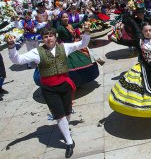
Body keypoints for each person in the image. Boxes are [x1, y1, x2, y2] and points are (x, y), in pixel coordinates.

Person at [8, 23, 91, 158]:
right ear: (42, 39)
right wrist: (12, 47)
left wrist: (86, 31)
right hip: (49, 89)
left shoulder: (64, 47)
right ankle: (69, 142)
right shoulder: (37, 52)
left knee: (67, 110)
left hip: (65, 85)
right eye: (45, 36)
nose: (48, 39)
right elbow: (18, 60)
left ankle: (65, 129)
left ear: (55, 36)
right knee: (59, 114)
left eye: (51, 36)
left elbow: (82, 44)